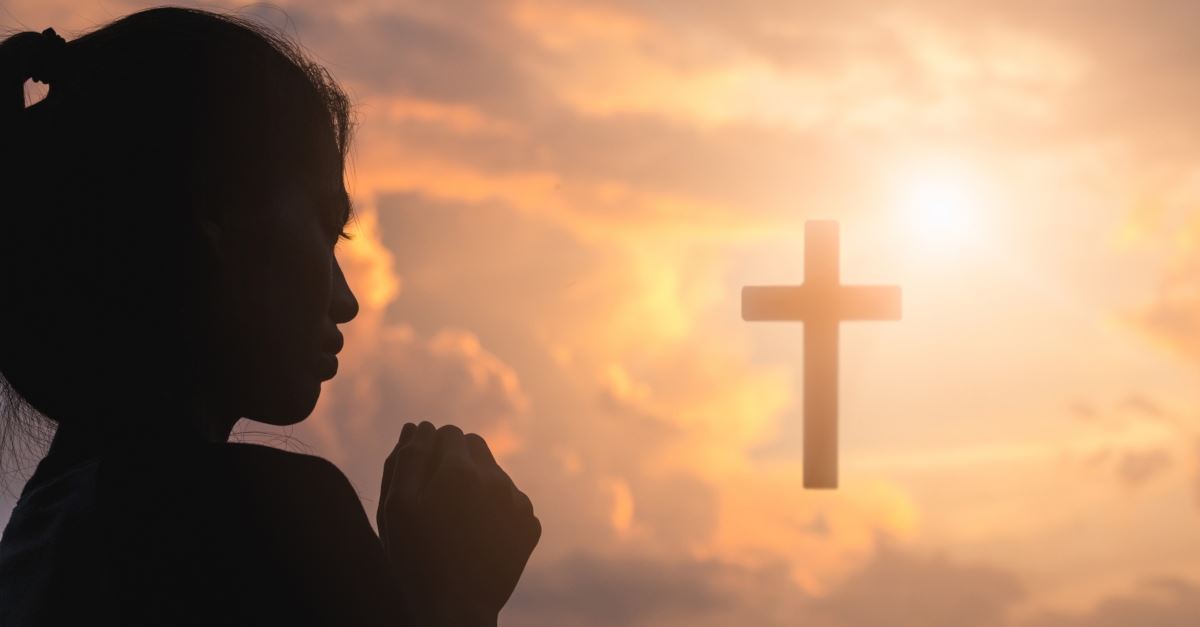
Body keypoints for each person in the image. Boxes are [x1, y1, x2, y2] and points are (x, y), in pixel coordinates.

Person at [0, 7, 540, 626]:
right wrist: (455, 599)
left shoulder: (42, 530)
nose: (347, 301)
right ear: (216, 218)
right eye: (326, 230)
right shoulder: (267, 519)